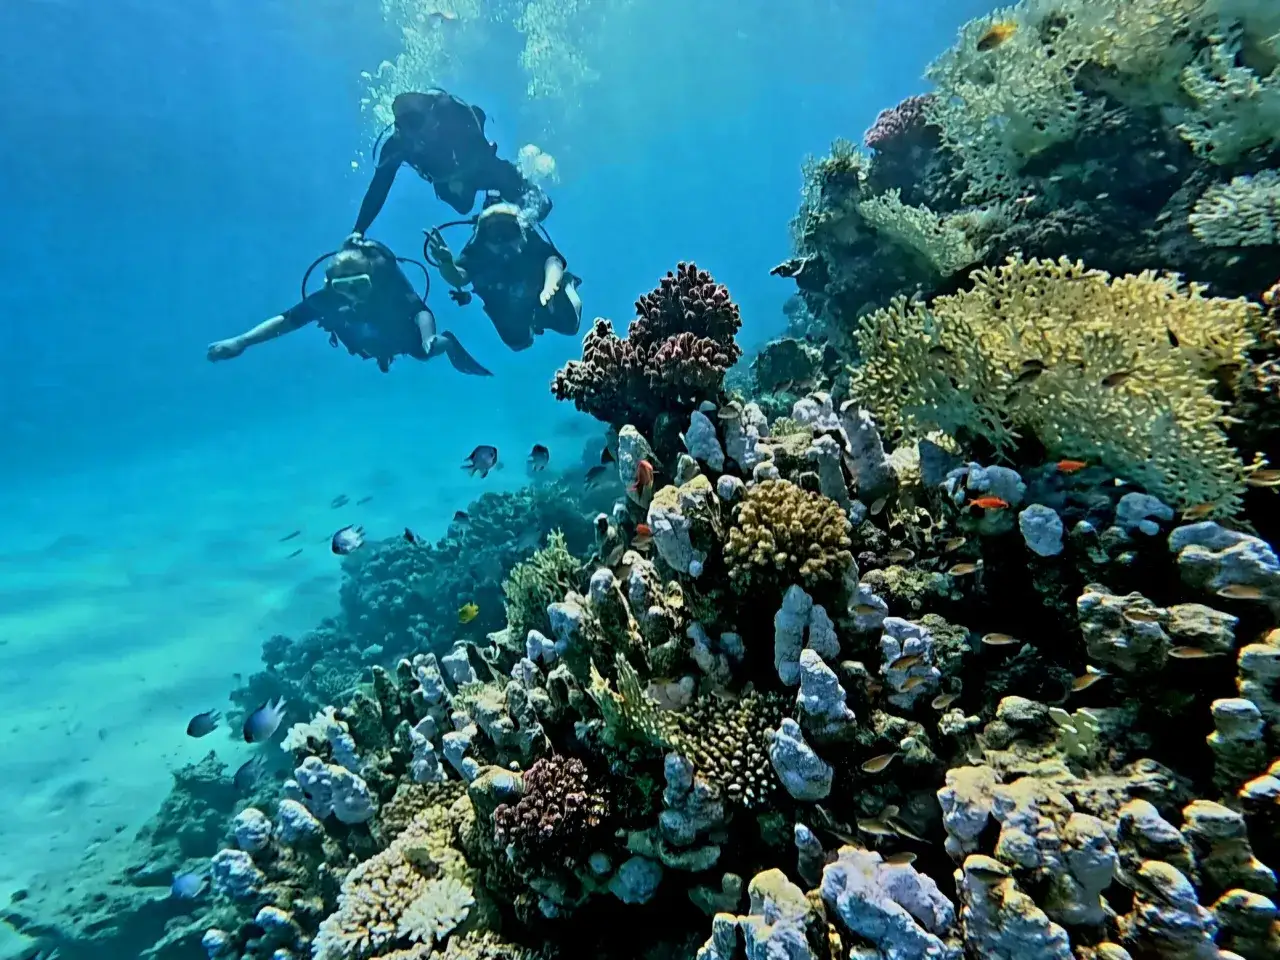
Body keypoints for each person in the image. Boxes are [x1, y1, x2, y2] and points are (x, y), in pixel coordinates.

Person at [206, 236, 492, 375]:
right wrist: (241, 341)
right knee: (371, 345)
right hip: (371, 342)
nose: (352, 294)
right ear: (332, 285)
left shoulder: (389, 290)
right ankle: (384, 355)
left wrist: (429, 338)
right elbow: (286, 321)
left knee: (424, 354)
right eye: (344, 287)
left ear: (373, 280)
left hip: (404, 337)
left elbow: (420, 312)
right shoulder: (328, 299)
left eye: (360, 285)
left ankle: (449, 344)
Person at [352, 89, 551, 237]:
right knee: (463, 206)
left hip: (478, 164)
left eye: (419, 123)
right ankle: (493, 198)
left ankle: (500, 201)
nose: (419, 136)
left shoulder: (447, 109)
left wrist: (479, 155)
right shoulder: (397, 145)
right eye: (408, 128)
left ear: (430, 112)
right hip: (446, 180)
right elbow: (378, 189)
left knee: (540, 206)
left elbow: (478, 115)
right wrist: (358, 231)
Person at [428, 201, 582, 352]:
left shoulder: (530, 242)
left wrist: (551, 284)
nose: (503, 240)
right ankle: (533, 322)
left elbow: (553, 262)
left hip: (543, 295)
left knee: (570, 324)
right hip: (507, 307)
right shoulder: (475, 254)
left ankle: (567, 283)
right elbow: (459, 277)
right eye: (495, 233)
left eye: (509, 231)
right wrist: (446, 263)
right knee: (516, 342)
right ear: (483, 238)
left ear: (521, 232)